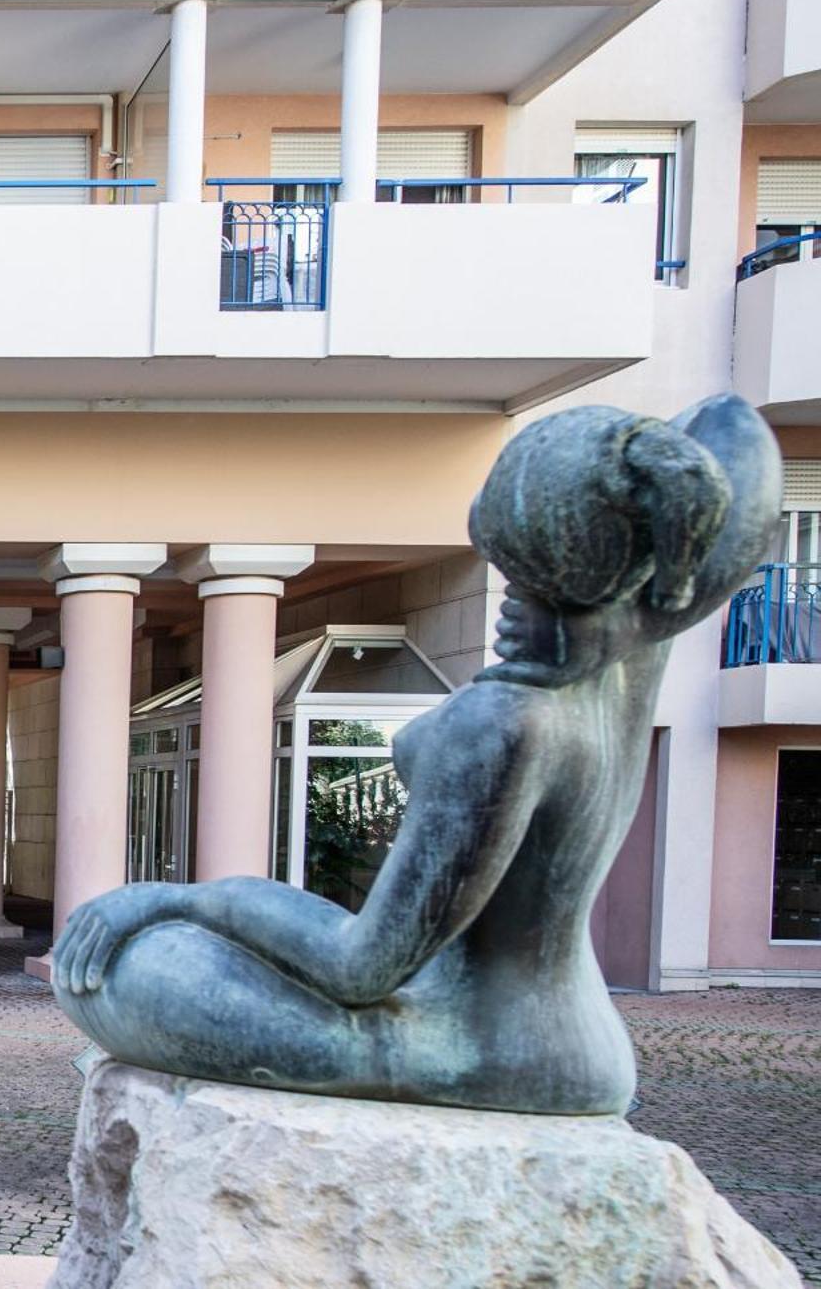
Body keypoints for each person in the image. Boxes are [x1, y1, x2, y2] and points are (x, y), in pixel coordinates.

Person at [52, 397, 780, 1115]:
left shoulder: (505, 721)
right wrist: (624, 459)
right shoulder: (644, 627)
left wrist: (186, 897)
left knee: (120, 967)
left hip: (475, 1045)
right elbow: (732, 430)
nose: (507, 611)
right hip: (578, 1044)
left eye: (527, 587)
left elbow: (360, 966)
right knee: (162, 951)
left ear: (583, 581)